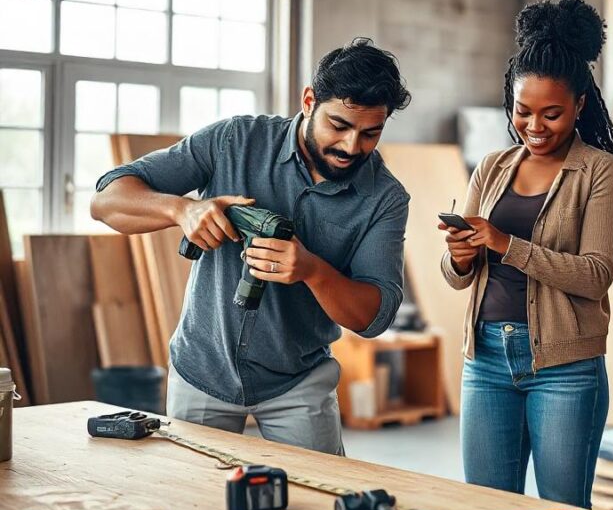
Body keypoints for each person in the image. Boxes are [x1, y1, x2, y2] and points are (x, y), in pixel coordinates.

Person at [91, 39, 412, 455]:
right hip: (201, 372)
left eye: (371, 133)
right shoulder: (234, 141)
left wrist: (312, 271)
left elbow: (374, 316)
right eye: (339, 125)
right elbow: (106, 201)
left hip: (299, 384)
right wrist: (182, 210)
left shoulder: (384, 198)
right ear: (310, 100)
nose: (352, 147)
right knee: (197, 509)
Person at [439, 0, 613, 508]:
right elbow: (457, 274)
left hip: (565, 366)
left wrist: (505, 243)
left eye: (551, 114)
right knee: (487, 509)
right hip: (484, 358)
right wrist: (461, 255)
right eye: (522, 112)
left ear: (579, 105)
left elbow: (595, 276)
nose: (534, 127)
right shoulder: (493, 166)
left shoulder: (600, 171)